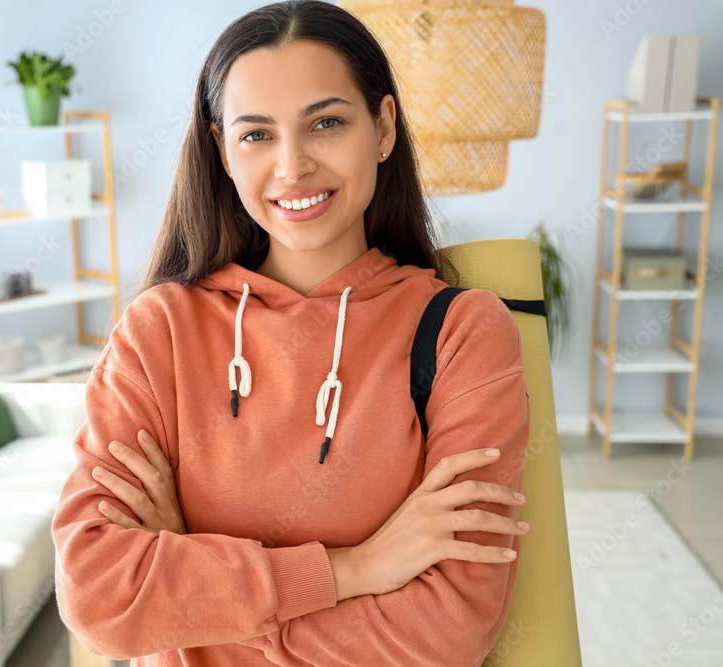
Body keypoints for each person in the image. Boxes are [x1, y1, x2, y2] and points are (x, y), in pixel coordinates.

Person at [52, 1, 531, 665]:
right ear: (221, 150)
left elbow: (449, 634)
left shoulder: (462, 333)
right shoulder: (159, 331)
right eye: (256, 135)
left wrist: (194, 590)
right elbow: (98, 596)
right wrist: (354, 569)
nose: (292, 164)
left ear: (384, 126)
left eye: (326, 122)